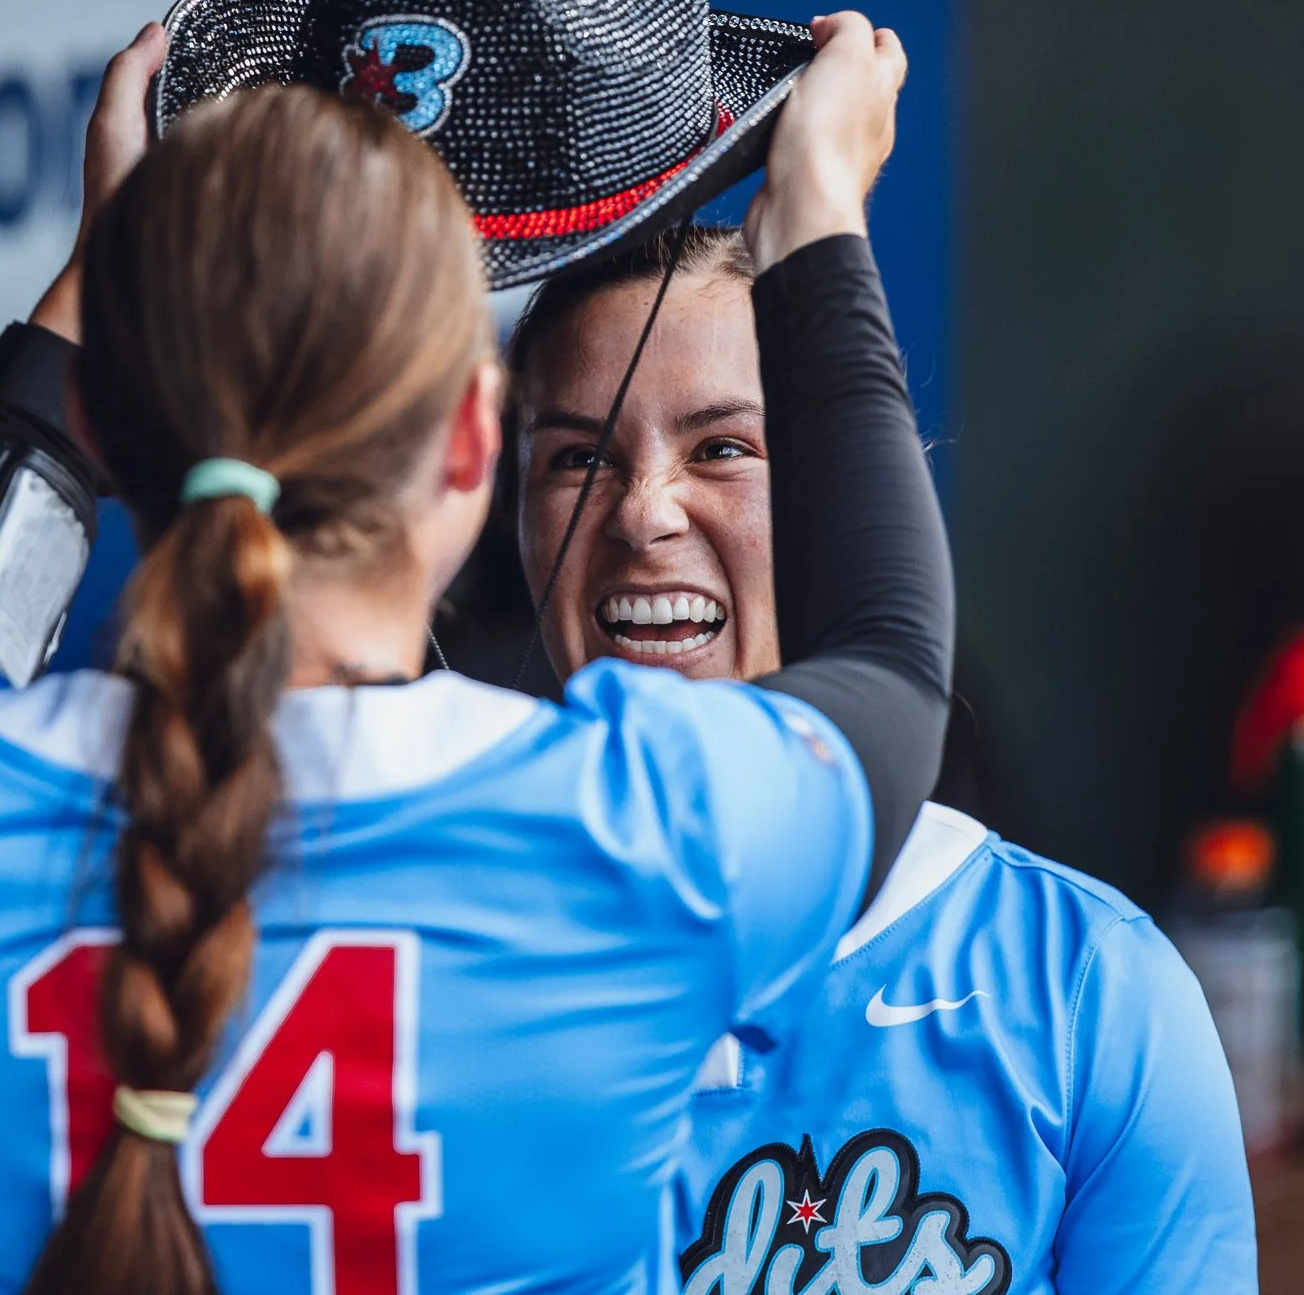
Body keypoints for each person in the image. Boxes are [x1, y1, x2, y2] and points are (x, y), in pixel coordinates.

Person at [0, 4, 949, 1295]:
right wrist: (816, 204)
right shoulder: (638, 835)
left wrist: (105, 269)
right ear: (477, 438)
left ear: (100, 421)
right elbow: (890, 663)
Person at [509, 224, 1259, 1295]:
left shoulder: (1086, 989)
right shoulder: (426, 959)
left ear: (851, 495)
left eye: (724, 446)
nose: (641, 512)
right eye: (577, 458)